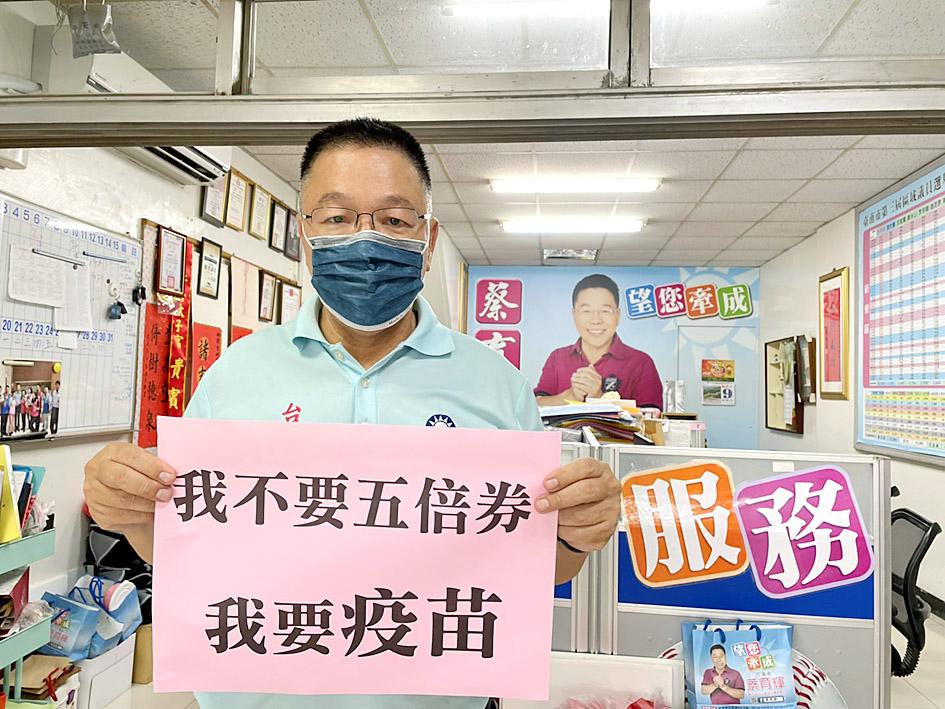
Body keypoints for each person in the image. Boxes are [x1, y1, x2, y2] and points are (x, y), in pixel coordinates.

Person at [83, 117, 622, 709]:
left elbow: (540, 565)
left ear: (429, 239)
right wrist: (127, 511)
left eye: (394, 220)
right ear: (304, 232)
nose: (366, 241)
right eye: (338, 217)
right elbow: (188, 547)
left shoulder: (498, 386)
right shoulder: (234, 375)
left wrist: (579, 535)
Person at [534, 274, 663, 408]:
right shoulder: (557, 358)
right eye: (586, 311)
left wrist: (599, 398)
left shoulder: (641, 363)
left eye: (605, 311)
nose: (596, 320)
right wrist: (570, 396)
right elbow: (536, 405)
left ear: (618, 315)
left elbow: (652, 415)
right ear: (574, 315)